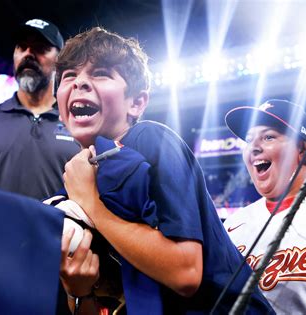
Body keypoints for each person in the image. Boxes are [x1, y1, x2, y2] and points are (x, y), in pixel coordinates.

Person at [53, 27, 274, 314]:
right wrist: (78, 292)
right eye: (69, 75)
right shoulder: (76, 179)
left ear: (137, 102)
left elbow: (185, 273)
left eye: (101, 73)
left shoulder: (150, 140)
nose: (80, 82)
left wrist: (91, 204)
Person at [223, 99, 306, 314]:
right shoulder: (232, 225)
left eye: (269, 136)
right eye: (249, 140)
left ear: (303, 150)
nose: (255, 147)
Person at [0, 18, 80, 200]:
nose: (28, 54)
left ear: (59, 61)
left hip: (57, 229)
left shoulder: (80, 124)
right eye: (21, 47)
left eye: (40, 48)